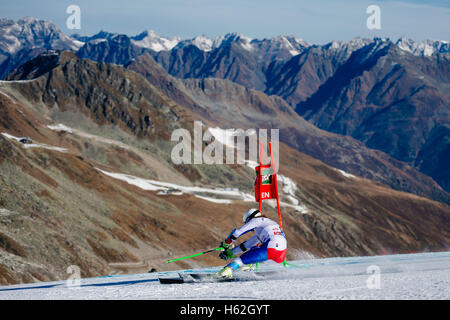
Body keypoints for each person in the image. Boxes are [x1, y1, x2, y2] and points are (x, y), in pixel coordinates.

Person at [217, 208, 287, 279]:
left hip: (271, 246)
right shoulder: (267, 225)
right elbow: (247, 245)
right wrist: (230, 252)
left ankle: (226, 272)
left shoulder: (256, 220)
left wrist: (225, 243)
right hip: (281, 252)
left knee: (239, 260)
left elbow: (237, 232)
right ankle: (246, 266)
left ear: (249, 219)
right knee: (253, 249)